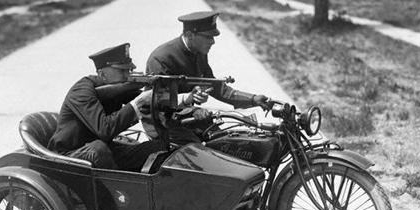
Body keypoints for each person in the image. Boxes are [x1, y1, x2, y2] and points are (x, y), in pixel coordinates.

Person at [145, 11, 270, 143]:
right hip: (161, 123)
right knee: (202, 156)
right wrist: (191, 109)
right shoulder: (162, 58)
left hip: (188, 117)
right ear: (189, 35)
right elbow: (160, 102)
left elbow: (214, 85)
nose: (213, 42)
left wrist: (253, 99)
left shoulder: (198, 51)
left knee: (229, 143)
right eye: (208, 37)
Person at [48, 43, 161, 171]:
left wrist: (180, 98)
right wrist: (137, 103)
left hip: (105, 148)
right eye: (122, 71)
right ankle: (119, 190)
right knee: (98, 149)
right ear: (102, 74)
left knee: (155, 148)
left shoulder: (117, 87)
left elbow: (148, 103)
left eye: (129, 70)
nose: (127, 75)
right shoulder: (81, 91)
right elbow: (105, 130)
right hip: (69, 155)